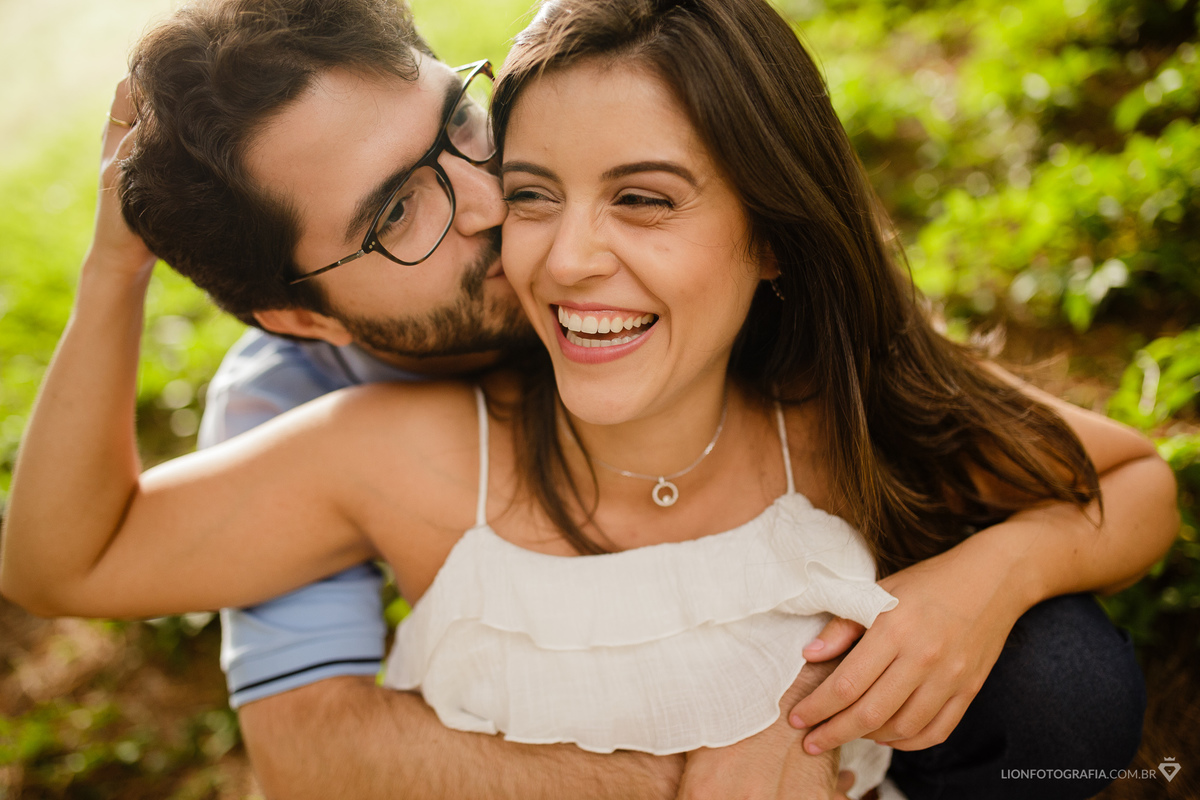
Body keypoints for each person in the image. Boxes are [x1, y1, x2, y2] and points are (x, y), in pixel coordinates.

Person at [1, 2, 1177, 799]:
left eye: (460, 127)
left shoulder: (787, 350)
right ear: (309, 318)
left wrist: (982, 579)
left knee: (1063, 684)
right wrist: (113, 270)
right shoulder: (335, 421)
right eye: (397, 213)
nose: (491, 207)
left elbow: (1117, 472)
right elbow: (296, 733)